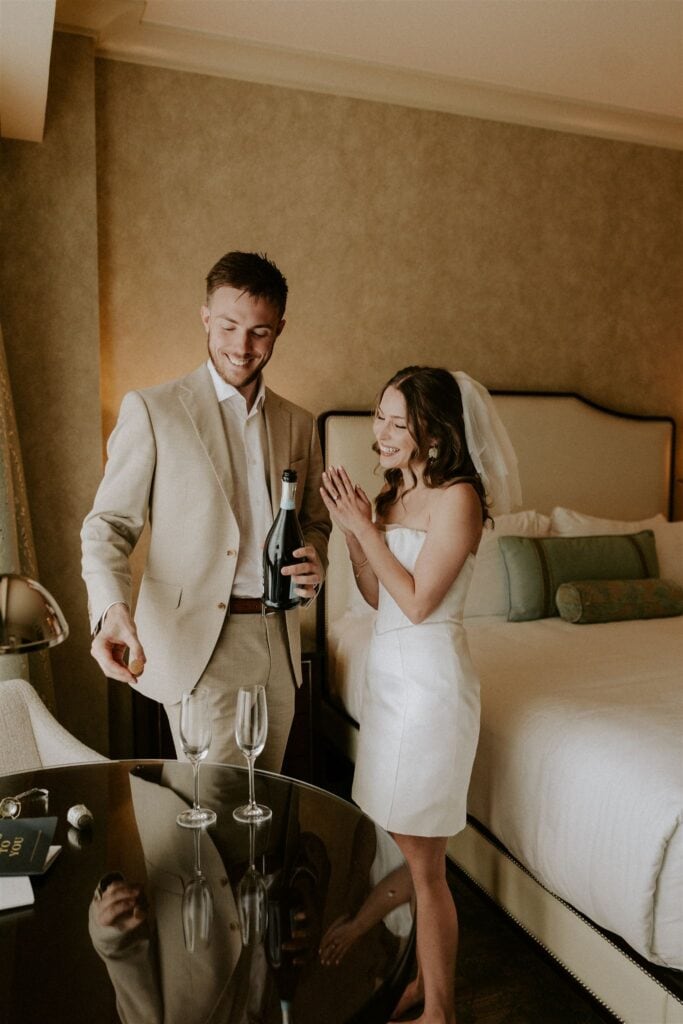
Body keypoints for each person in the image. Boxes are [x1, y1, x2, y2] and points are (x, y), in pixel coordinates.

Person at [319, 366, 520, 1024]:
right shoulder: (390, 498)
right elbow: (376, 597)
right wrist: (353, 533)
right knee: (410, 843)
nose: (379, 432)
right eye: (377, 416)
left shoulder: (458, 497)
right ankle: (416, 985)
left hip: (431, 689)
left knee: (425, 863)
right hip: (390, 689)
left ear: (432, 434)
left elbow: (416, 600)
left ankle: (440, 1012)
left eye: (396, 422)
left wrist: (363, 528)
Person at [81, 251, 330, 770]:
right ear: (205, 318)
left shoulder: (300, 423)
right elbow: (108, 527)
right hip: (199, 645)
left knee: (263, 812)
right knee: (216, 821)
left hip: (280, 643)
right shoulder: (152, 409)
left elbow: (315, 522)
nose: (242, 347)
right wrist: (110, 608)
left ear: (280, 328)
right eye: (229, 325)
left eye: (260, 332)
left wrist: (318, 558)